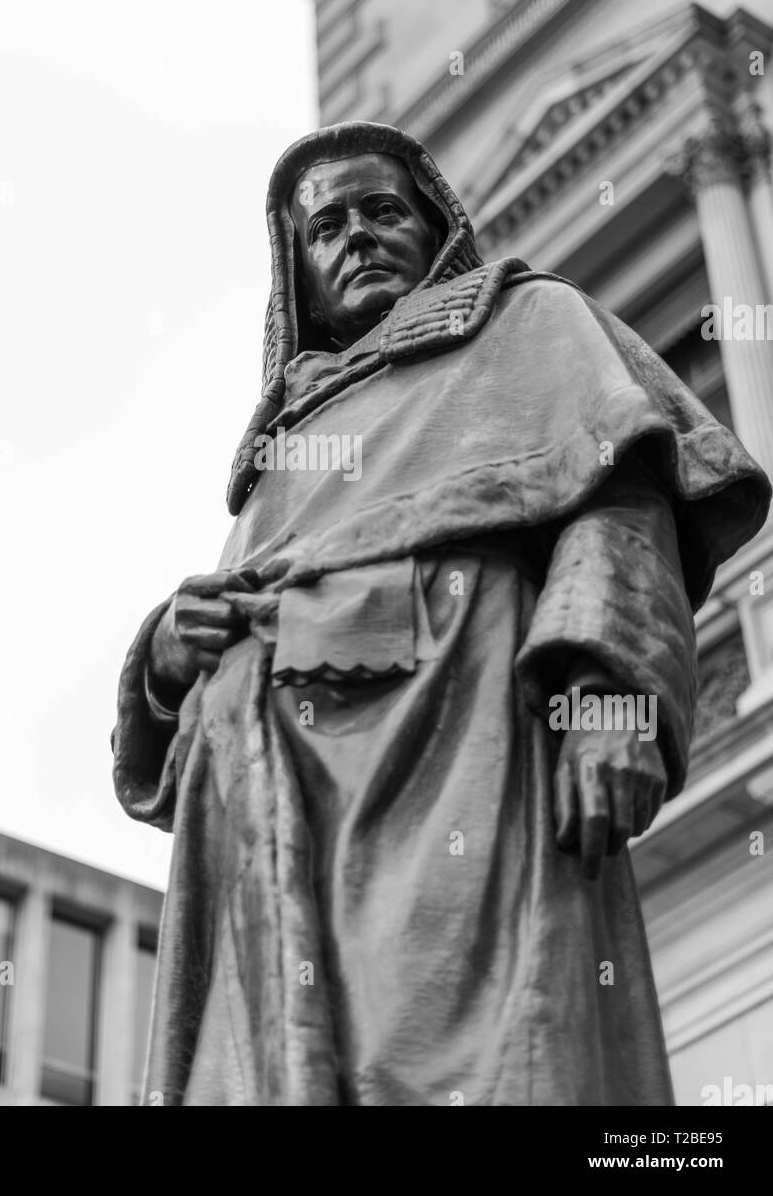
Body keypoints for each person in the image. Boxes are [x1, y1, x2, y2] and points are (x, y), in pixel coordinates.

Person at [111, 121, 770, 1106]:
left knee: (498, 1059)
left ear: (434, 224)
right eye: (327, 227)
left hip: (464, 752)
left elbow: (622, 513)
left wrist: (611, 710)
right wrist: (165, 657)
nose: (360, 236)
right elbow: (177, 735)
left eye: (383, 209)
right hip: (277, 814)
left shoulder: (532, 324)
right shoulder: (281, 446)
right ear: (297, 275)